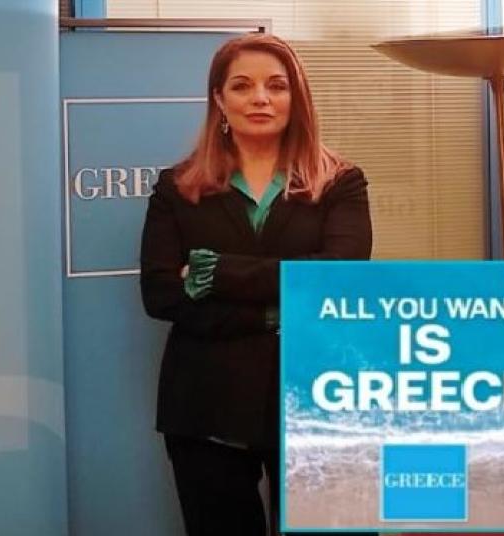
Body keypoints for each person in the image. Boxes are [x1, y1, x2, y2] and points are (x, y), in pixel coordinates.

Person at [140, 33, 374, 536]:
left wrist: (216, 272)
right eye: (242, 86)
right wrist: (278, 311)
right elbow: (161, 294)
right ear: (219, 99)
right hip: (207, 404)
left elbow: (338, 278)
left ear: (296, 97)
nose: (261, 98)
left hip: (320, 399)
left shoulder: (341, 182)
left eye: (277, 86)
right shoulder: (177, 188)